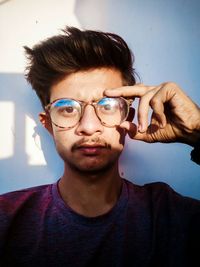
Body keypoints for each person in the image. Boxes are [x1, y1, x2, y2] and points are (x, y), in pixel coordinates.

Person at [0, 27, 200, 267]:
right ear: (48, 124)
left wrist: (197, 130)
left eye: (107, 106)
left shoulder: (173, 217)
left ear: (128, 115)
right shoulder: (6, 219)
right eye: (67, 108)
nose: (89, 126)